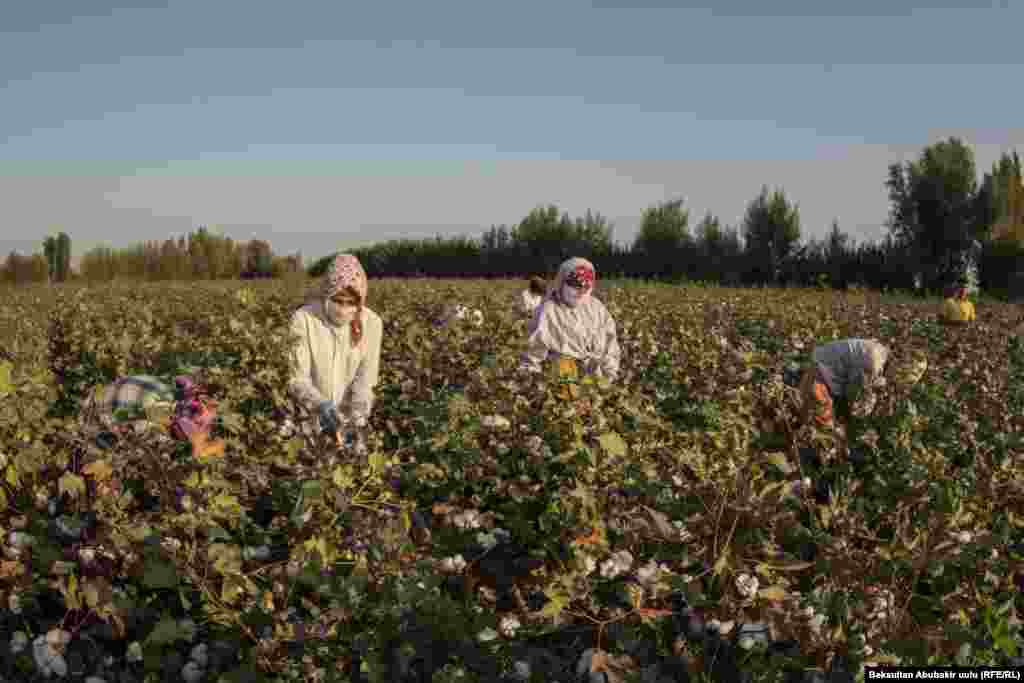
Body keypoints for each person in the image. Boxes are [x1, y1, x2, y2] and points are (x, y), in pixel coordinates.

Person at [288, 253, 383, 452]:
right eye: (338, 301)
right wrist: (320, 405)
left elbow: (365, 380)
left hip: (349, 423)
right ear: (326, 294)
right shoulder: (304, 319)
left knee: (352, 466)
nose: (343, 309)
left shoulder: (372, 324)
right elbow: (297, 378)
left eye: (350, 303)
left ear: (360, 301)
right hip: (309, 419)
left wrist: (357, 421)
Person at [520, 257, 621, 382]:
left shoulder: (598, 309)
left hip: (596, 380)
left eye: (586, 287)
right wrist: (532, 381)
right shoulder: (547, 311)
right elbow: (532, 356)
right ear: (561, 282)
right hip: (561, 382)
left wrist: (608, 377)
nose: (581, 292)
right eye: (575, 285)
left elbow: (610, 347)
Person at [795, 338, 924, 430]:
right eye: (899, 378)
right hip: (820, 375)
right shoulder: (872, 363)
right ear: (898, 366)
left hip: (828, 374)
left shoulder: (882, 354)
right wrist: (874, 408)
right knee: (822, 429)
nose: (894, 383)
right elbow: (855, 402)